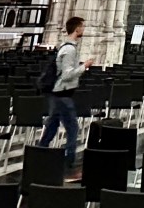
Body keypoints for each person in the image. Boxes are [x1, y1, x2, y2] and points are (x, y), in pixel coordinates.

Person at [39, 16, 94, 178]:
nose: (83, 29)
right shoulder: (69, 49)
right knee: (72, 129)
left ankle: (39, 154)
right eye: (82, 27)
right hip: (62, 94)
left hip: (59, 94)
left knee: (51, 127)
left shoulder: (65, 46)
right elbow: (67, 74)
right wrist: (84, 66)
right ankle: (69, 165)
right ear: (77, 28)